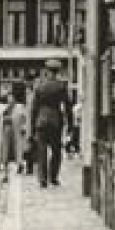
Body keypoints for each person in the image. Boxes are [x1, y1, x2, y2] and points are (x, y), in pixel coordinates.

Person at [29, 59, 72, 188]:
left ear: (46, 71)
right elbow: (68, 107)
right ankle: (53, 177)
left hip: (41, 121)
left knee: (41, 150)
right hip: (55, 121)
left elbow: (34, 108)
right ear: (57, 71)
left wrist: (32, 126)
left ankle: (42, 179)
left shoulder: (39, 86)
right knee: (56, 150)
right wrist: (70, 124)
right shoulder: (61, 86)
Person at [0, 87, 21, 174]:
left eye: (12, 97)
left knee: (16, 151)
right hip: (5, 131)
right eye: (9, 97)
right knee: (5, 152)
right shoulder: (2, 107)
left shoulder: (19, 107)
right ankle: (6, 172)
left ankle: (18, 166)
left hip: (15, 131)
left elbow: (22, 117)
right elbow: (0, 116)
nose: (10, 99)